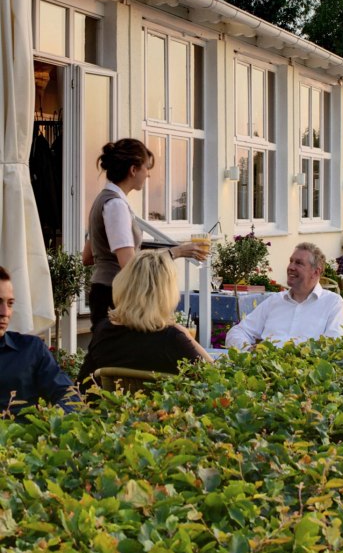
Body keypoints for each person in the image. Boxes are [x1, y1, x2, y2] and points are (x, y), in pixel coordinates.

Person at [82, 139, 207, 330]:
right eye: (146, 168)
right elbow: (131, 266)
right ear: (133, 170)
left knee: (104, 351)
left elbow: (88, 257)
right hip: (116, 295)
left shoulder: (102, 200)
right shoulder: (116, 206)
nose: (148, 175)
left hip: (102, 290)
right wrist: (177, 252)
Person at [77, 251, 211, 388]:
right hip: (163, 410)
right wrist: (186, 336)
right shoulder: (172, 339)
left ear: (124, 285)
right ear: (167, 293)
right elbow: (215, 381)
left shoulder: (104, 332)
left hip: (113, 408)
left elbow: (82, 385)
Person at [224, 244, 343, 350]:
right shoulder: (275, 301)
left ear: (316, 272)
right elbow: (237, 332)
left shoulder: (332, 302)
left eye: (299, 263)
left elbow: (333, 345)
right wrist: (248, 349)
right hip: (264, 371)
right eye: (291, 261)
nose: (291, 267)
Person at [0, 266, 76, 413]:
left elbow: (68, 395)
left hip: (23, 434)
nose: (5, 312)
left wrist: (54, 426)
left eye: (10, 303)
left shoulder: (31, 349)